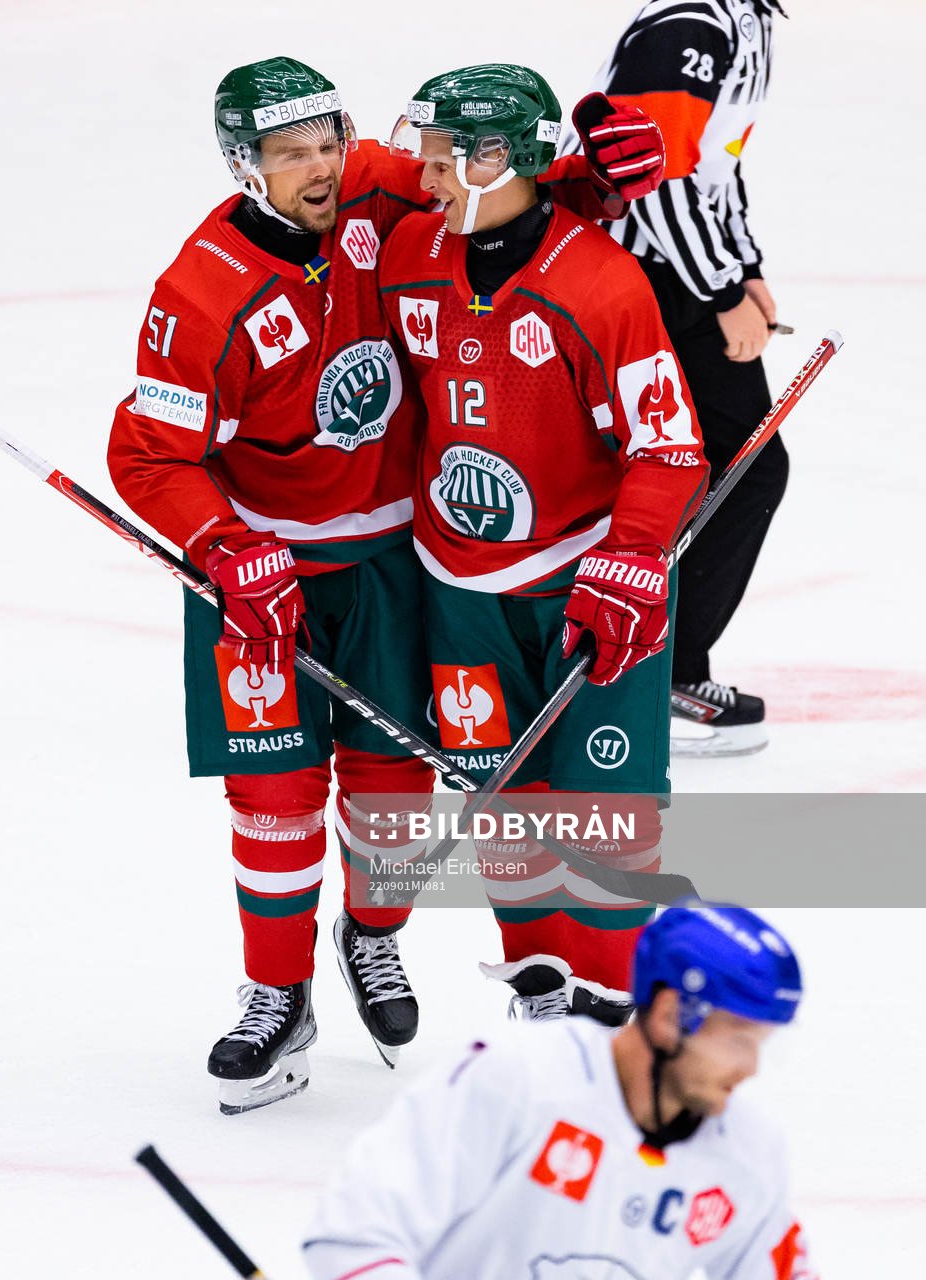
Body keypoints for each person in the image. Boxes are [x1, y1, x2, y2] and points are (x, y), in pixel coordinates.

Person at [107, 57, 667, 1112]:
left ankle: (373, 933)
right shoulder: (199, 291)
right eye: (290, 155)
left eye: (327, 142)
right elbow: (145, 454)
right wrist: (227, 548)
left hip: (393, 566)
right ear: (245, 165)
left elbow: (502, 198)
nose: (320, 169)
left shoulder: (376, 183)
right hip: (261, 578)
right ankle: (278, 996)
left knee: (395, 798)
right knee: (274, 804)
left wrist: (592, 179)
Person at [377, 64, 709, 1016]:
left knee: (607, 817)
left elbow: (669, 443)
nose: (423, 172)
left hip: (588, 580)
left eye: (441, 156)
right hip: (458, 581)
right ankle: (538, 988)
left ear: (495, 159)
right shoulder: (406, 253)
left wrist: (635, 556)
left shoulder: (601, 284)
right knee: (501, 803)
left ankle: (611, 1011)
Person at [302, 902, 817, 1279]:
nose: (751, 1069)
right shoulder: (517, 1080)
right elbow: (355, 1236)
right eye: (738, 1042)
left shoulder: (745, 1152)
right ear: (667, 1018)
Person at [559, 1, 790, 757]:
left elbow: (717, 161)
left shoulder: (739, 21)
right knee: (732, 465)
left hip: (666, 270)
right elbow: (653, 178)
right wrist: (721, 292)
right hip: (636, 273)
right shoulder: (689, 28)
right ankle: (664, 672)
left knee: (718, 463)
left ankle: (648, 660)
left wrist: (744, 265)